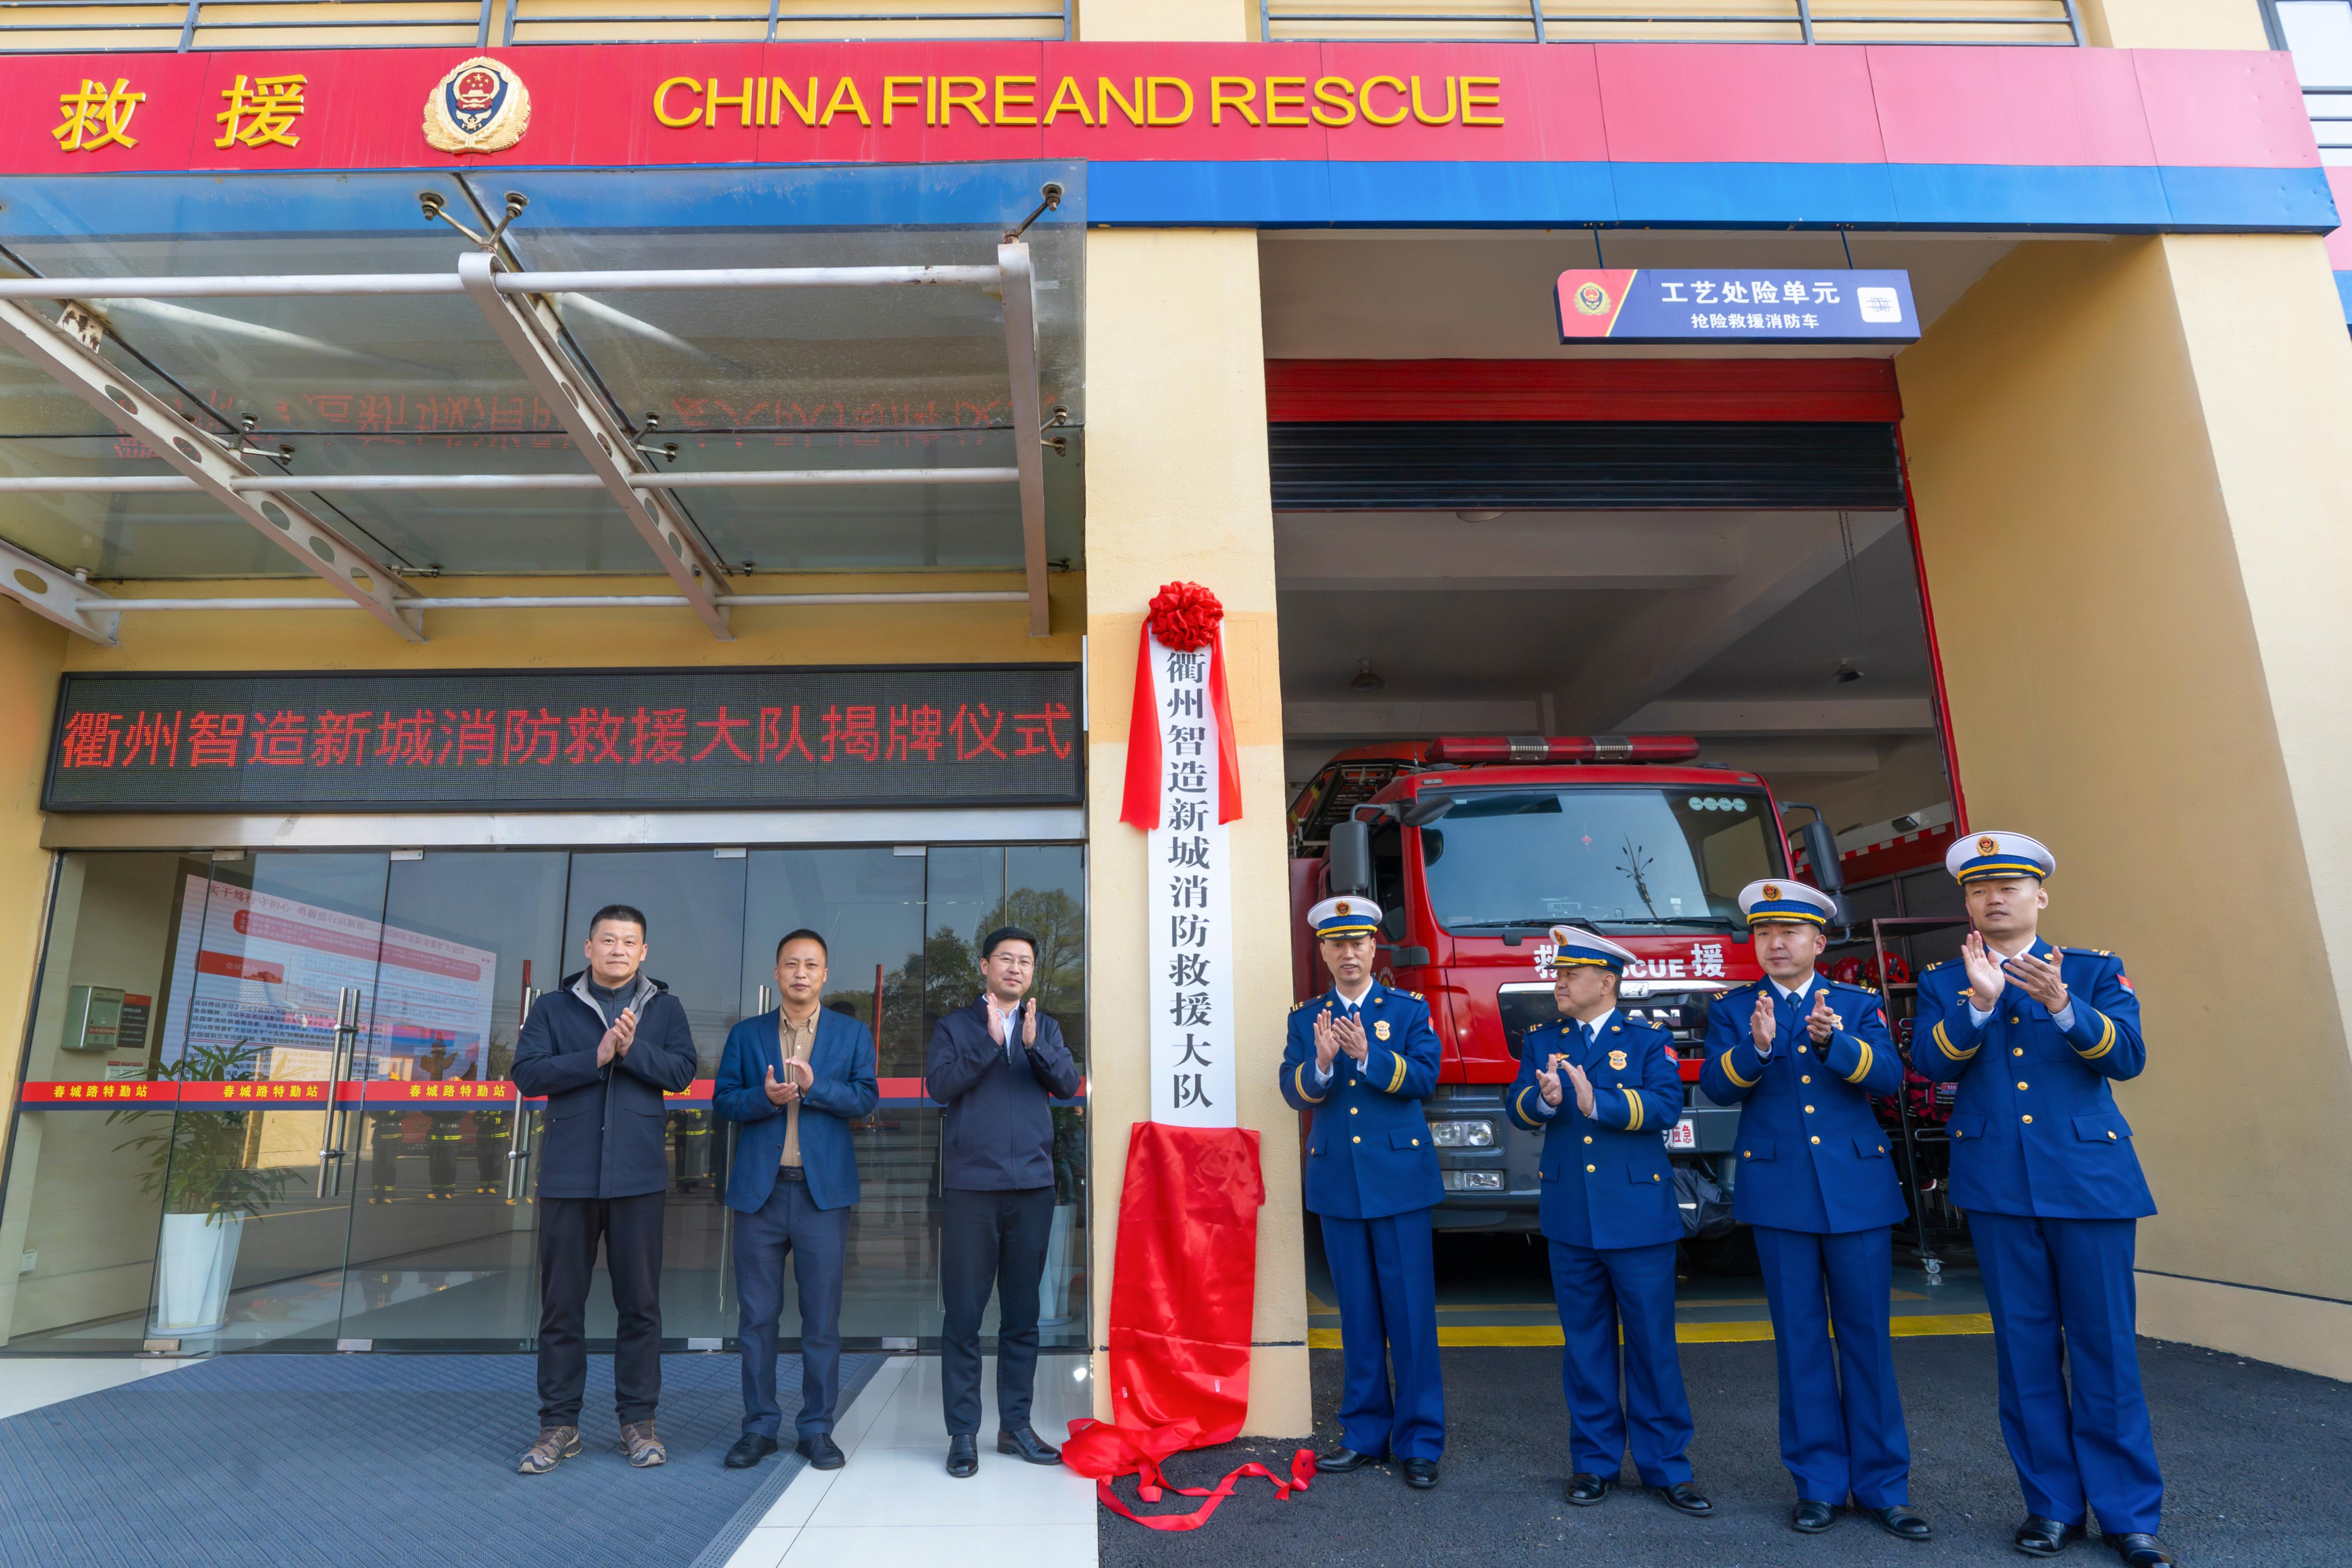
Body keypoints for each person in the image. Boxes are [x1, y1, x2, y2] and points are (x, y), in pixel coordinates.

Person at [1913, 833, 2167, 1567]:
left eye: (2009, 887)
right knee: (2025, 1352)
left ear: (2040, 896)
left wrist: (2062, 1004)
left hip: (2090, 1183)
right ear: (1968, 904)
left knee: (2105, 1349)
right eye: (1979, 890)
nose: (1993, 899)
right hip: (1998, 1184)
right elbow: (1928, 1063)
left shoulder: (2092, 969)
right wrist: (1979, 1006)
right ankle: (2051, 1507)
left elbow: (2128, 1056)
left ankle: (2129, 1517)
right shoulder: (1946, 979)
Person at [1701, 880, 1930, 1541]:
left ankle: (1884, 1488)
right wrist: (1755, 1049)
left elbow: (1889, 1078)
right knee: (1800, 1344)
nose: (1775, 943)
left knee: (1868, 1341)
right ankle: (1818, 1485)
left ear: (1818, 941)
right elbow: (1715, 1086)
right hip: (1780, 1194)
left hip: (1856, 1191)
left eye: (1790, 932)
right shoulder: (1735, 1008)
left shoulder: (1856, 1003)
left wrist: (1836, 1044)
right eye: (1764, 932)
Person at [1505, 926, 1712, 1518]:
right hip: (1571, 1216)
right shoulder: (1543, 1041)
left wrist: (1598, 1103)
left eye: (1570, 974)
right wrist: (1543, 1100)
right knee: (1586, 1346)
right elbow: (1515, 1107)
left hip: (1637, 1216)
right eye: (1558, 972)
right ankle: (1594, 1463)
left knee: (1652, 1346)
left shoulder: (1646, 1040)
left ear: (1606, 982)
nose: (1558, 982)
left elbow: (1666, 1106)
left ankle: (1666, 1466)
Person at [508, 904, 699, 1475]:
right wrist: (593, 1057)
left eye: (629, 941)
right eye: (608, 940)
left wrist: (633, 1050)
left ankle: (637, 1421)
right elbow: (526, 1073)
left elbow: (682, 1071)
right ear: (588, 948)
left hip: (638, 1178)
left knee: (639, 1305)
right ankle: (558, 1423)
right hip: (568, 1177)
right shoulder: (552, 1007)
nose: (619, 949)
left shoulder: (665, 1008)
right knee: (561, 1305)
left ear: (644, 952)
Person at [1276, 895, 1445, 1489]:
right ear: (1323, 951)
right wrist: (1321, 1064)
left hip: (1399, 1183)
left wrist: (1369, 1055)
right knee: (1358, 1315)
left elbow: (1425, 1076)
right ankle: (1364, 1433)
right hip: (1339, 1183)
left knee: (1411, 1315)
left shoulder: (1407, 1010)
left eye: (1358, 942)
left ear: (1374, 947)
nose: (1348, 953)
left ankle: (1420, 1441)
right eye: (1336, 944)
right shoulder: (1307, 1019)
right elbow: (1292, 1089)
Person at [714, 928, 878, 1472]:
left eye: (811, 964)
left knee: (821, 1319)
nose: (801, 973)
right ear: (777, 972)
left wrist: (816, 1087)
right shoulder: (747, 1034)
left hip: (820, 1194)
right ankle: (759, 1426)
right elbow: (724, 1101)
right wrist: (763, 1097)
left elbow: (865, 1097)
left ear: (825, 974)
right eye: (791, 963)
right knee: (756, 1317)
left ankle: (816, 1428)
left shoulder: (851, 1033)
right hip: (759, 1195)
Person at [925, 925, 1083, 1478]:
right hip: (971, 1190)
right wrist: (989, 1044)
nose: (1016, 968)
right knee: (964, 1317)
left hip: (1032, 1190)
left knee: (1022, 1317)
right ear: (985, 965)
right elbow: (939, 1086)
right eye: (1006, 958)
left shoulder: (1046, 1027)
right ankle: (962, 1433)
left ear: (1032, 972)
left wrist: (1034, 1046)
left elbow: (1068, 1084)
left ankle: (1015, 1426)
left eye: (1025, 961)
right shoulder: (954, 1026)